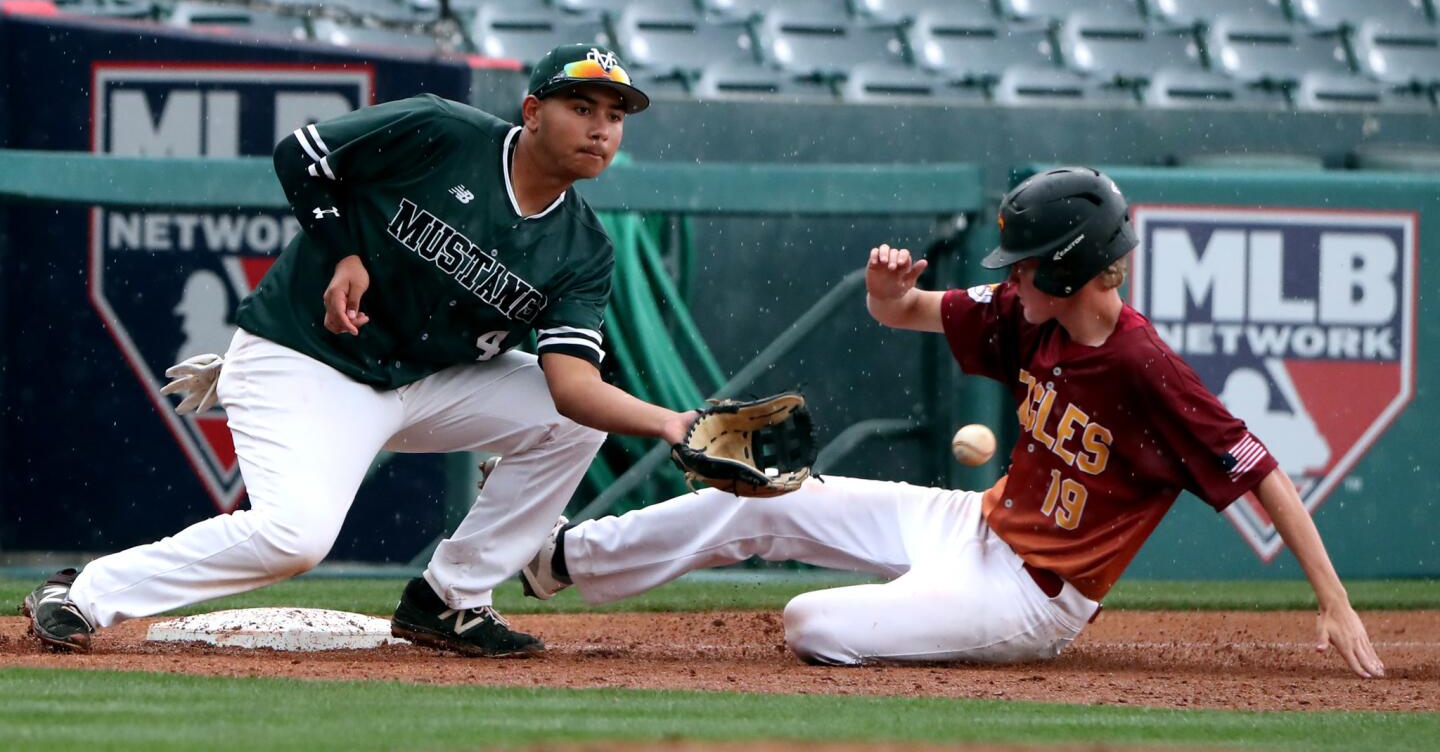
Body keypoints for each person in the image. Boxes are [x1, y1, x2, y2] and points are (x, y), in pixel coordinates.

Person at [518, 167, 1386, 678]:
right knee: (763, 497)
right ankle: (558, 559)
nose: (1011, 278)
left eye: (1028, 266)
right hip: (973, 524)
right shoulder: (1029, 312)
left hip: (1034, 595)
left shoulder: (1141, 366)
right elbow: (907, 312)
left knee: (812, 623)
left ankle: (924, 618)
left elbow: (1261, 468)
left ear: (1079, 271)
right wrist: (886, 292)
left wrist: (1336, 604)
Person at [24, 44, 697, 658]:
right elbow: (301, 153)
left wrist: (672, 424)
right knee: (296, 540)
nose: (600, 127)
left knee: (573, 419)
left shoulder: (582, 249)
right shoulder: (445, 133)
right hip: (305, 356)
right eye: (580, 107)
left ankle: (450, 600)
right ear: (532, 111)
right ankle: (81, 593)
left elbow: (572, 385)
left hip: (423, 383)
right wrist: (343, 251)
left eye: (615, 114)